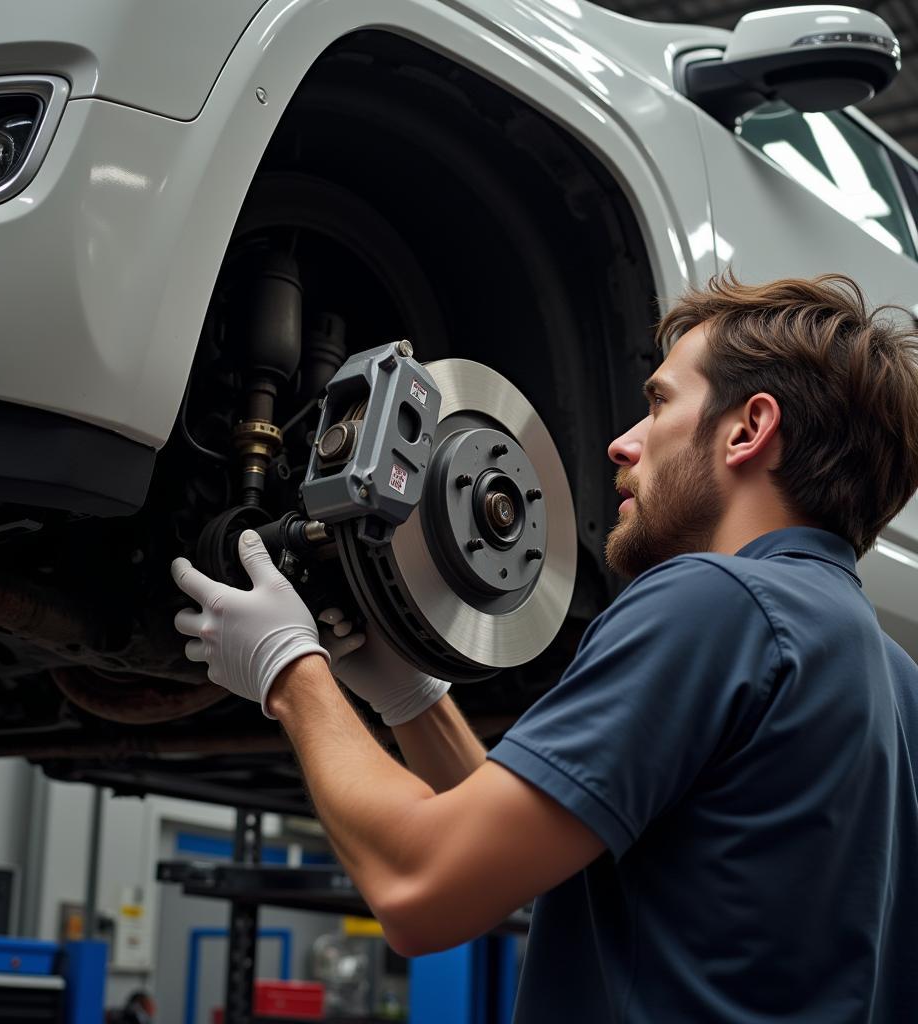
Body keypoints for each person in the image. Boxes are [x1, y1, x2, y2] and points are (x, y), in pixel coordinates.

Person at [171, 273, 918, 1022]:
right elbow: (509, 866)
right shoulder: (896, 682)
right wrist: (412, 699)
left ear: (748, 430)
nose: (621, 443)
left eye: (658, 403)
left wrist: (290, 671)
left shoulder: (717, 603)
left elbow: (420, 888)